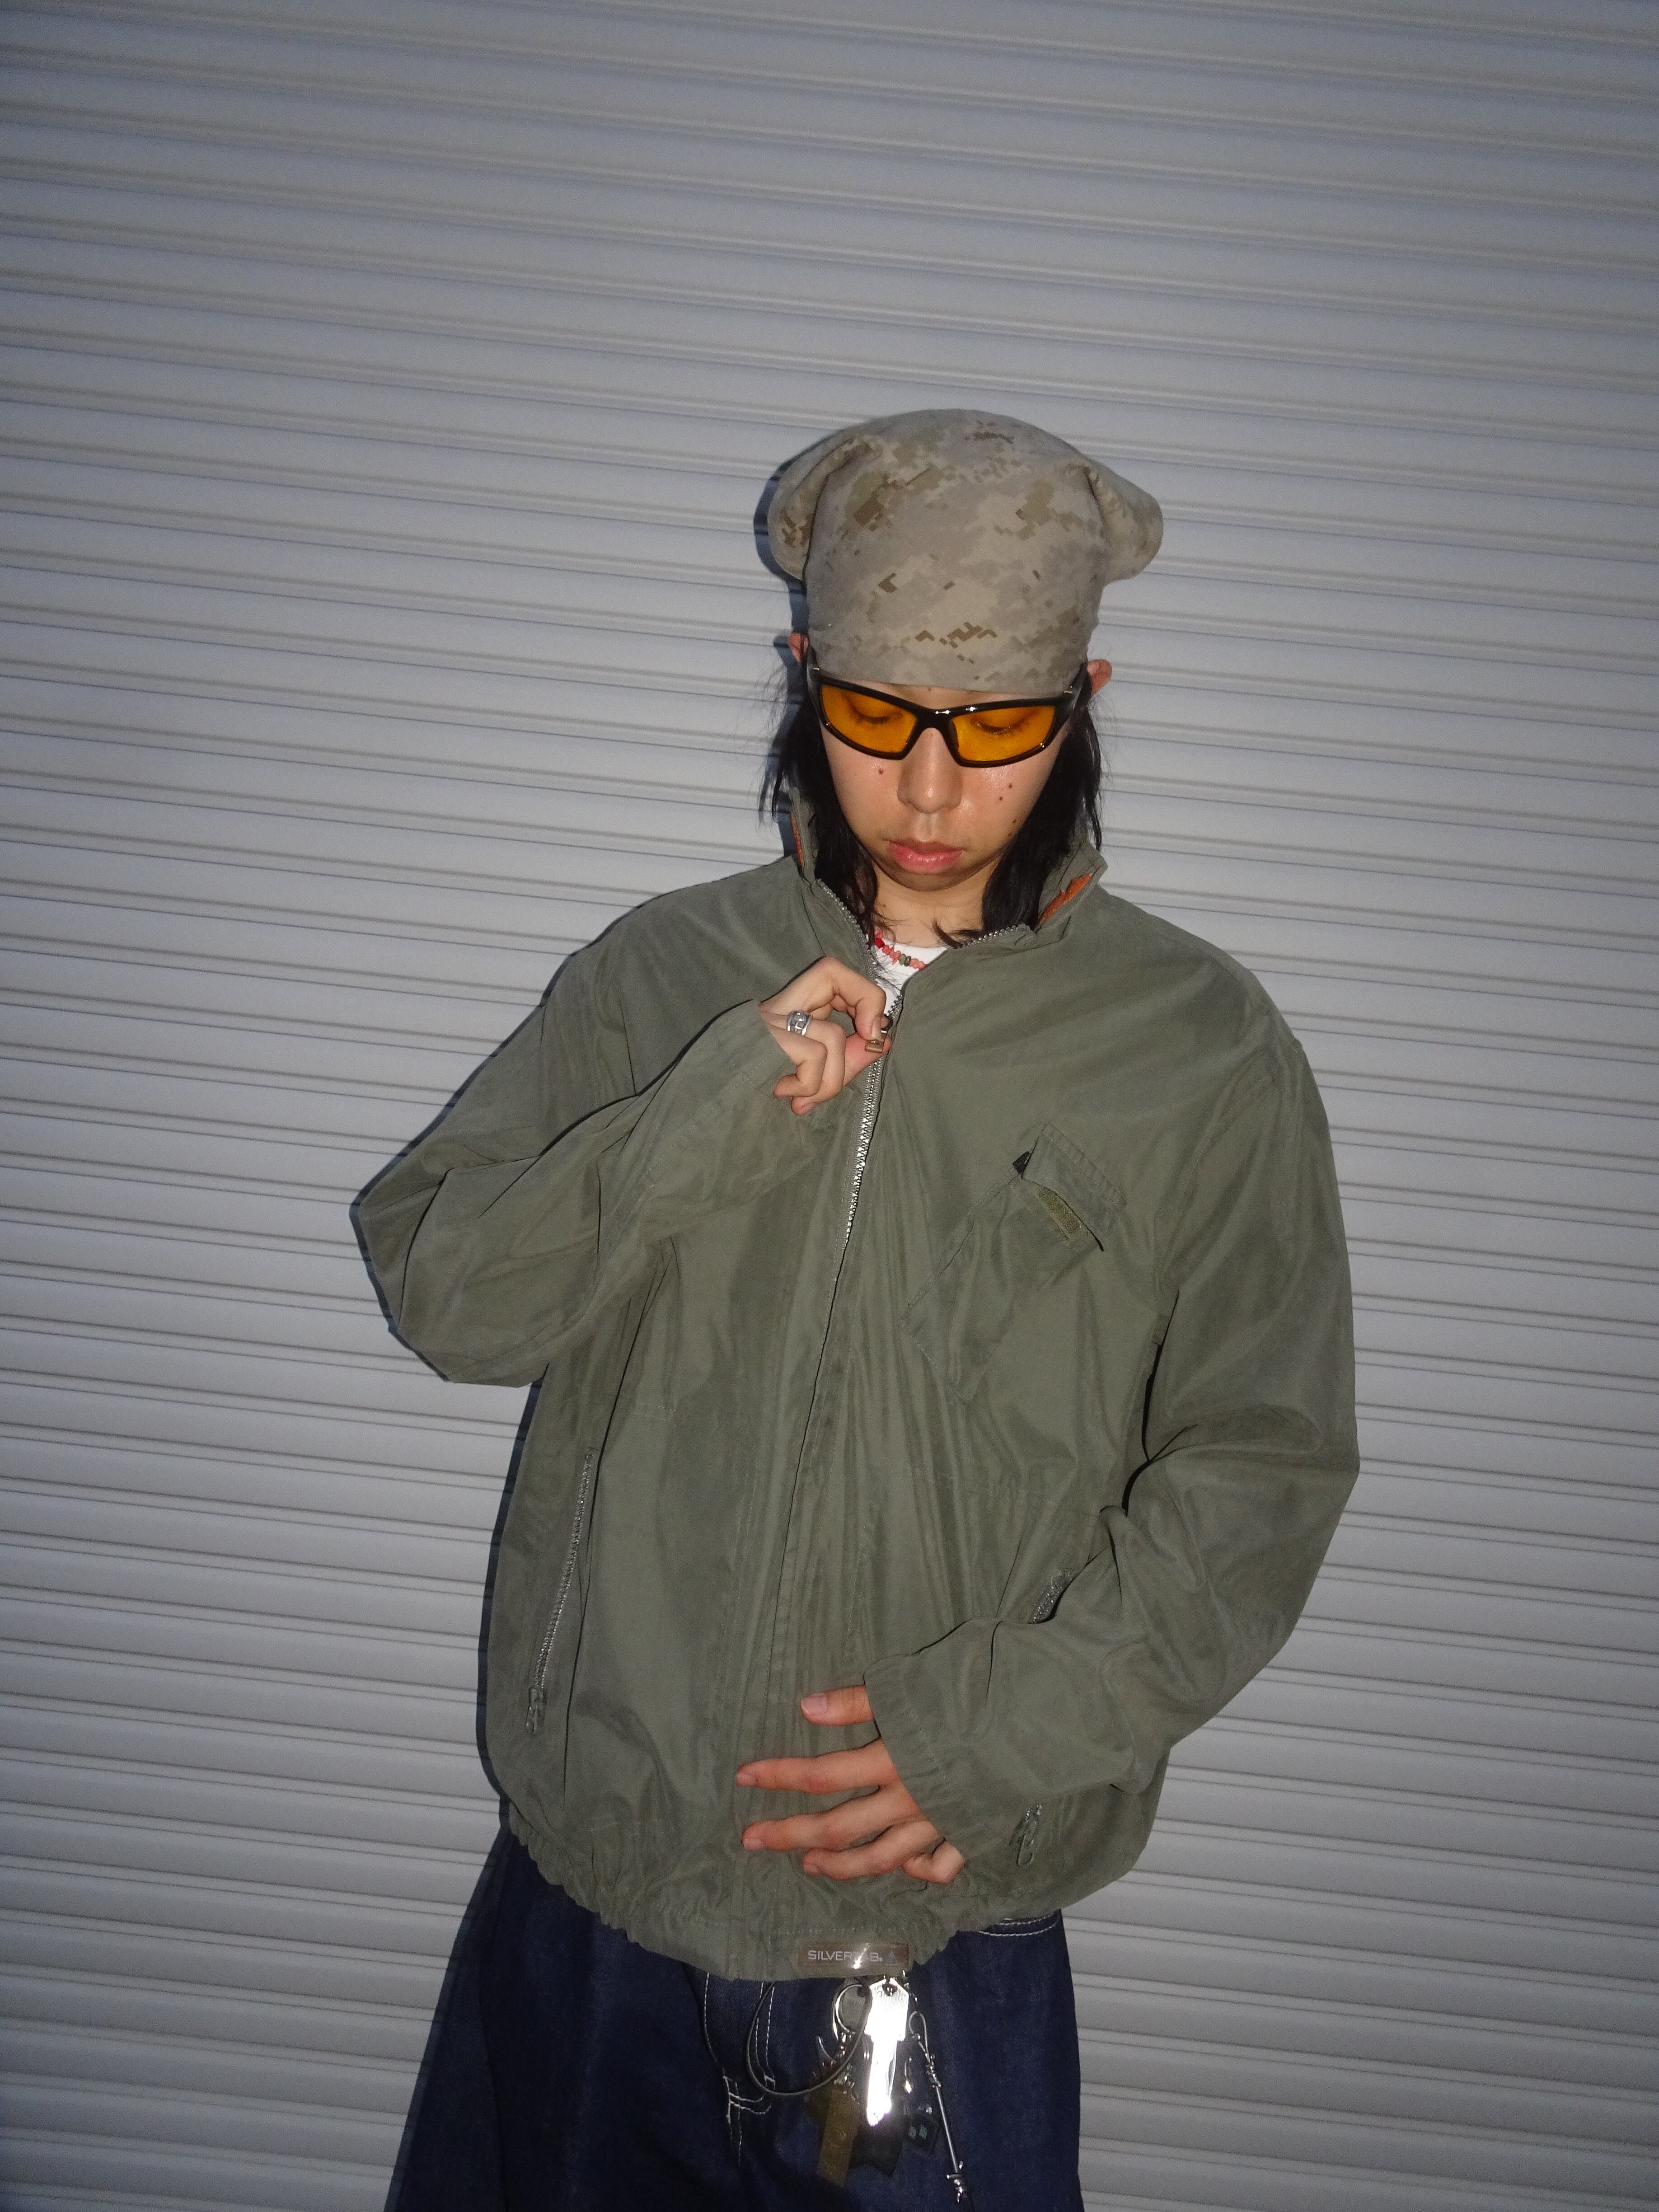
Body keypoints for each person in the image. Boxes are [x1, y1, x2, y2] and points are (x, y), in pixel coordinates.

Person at [356, 410, 1359, 2210]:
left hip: (939, 1939)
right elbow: (448, 1291)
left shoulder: (1200, 1050)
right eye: (878, 714)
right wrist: (700, 1117)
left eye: (996, 726)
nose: (931, 785)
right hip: (600, 1905)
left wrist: (999, 1733)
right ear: (805, 679)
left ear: (1083, 702)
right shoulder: (663, 973)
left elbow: (1260, 1466)